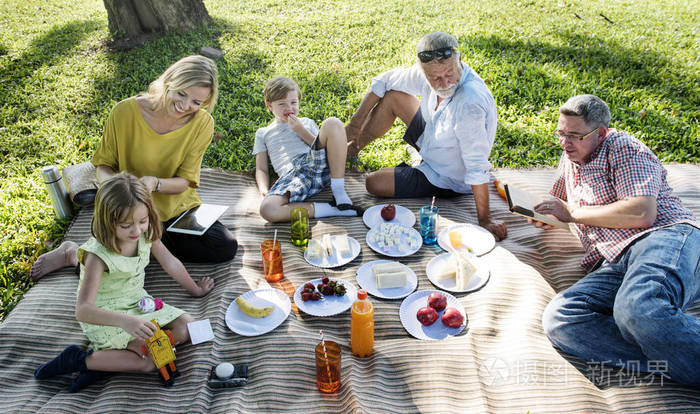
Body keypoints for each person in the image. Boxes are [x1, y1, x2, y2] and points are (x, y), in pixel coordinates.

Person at [536, 94, 699, 387]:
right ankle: (673, 357)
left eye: (574, 135)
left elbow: (642, 213)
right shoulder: (571, 156)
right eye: (561, 133)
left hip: (662, 237)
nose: (565, 142)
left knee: (636, 309)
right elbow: (559, 198)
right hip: (612, 261)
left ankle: (673, 347)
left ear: (601, 133)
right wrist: (545, 211)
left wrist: (572, 212)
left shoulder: (624, 148)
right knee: (561, 320)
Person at [30, 55, 237, 281]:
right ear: (169, 82)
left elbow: (184, 182)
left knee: (224, 246)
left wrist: (155, 184)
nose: (186, 106)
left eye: (197, 103)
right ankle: (72, 253)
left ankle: (144, 252)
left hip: (176, 210)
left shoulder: (202, 123)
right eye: (181, 94)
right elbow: (103, 165)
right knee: (105, 275)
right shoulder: (124, 112)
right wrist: (121, 189)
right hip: (131, 213)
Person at [34, 173, 214, 392]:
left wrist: (195, 289)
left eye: (142, 221)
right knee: (149, 362)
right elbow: (83, 310)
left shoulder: (145, 234)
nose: (136, 230)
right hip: (106, 315)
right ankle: (81, 360)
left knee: (187, 327)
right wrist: (126, 322)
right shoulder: (97, 255)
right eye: (126, 225)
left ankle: (108, 363)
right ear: (108, 222)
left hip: (137, 303)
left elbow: (170, 263)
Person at [345, 32, 506, 241]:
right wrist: (354, 124)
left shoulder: (470, 102)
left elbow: (476, 165)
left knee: (373, 183)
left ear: (460, 59)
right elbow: (383, 81)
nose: (445, 83)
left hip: (446, 175)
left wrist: (485, 219)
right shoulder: (425, 74)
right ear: (423, 71)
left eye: (450, 73)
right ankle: (350, 151)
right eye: (435, 78)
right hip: (433, 136)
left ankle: (416, 168)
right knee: (393, 96)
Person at [255, 76, 362, 222]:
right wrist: (263, 190)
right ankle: (334, 209)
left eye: (293, 102)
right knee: (267, 209)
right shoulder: (263, 133)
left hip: (318, 165)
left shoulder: (306, 123)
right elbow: (261, 168)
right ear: (269, 105)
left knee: (333, 123)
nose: (289, 108)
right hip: (294, 177)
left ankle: (339, 191)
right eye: (282, 104)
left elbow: (322, 148)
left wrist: (300, 130)